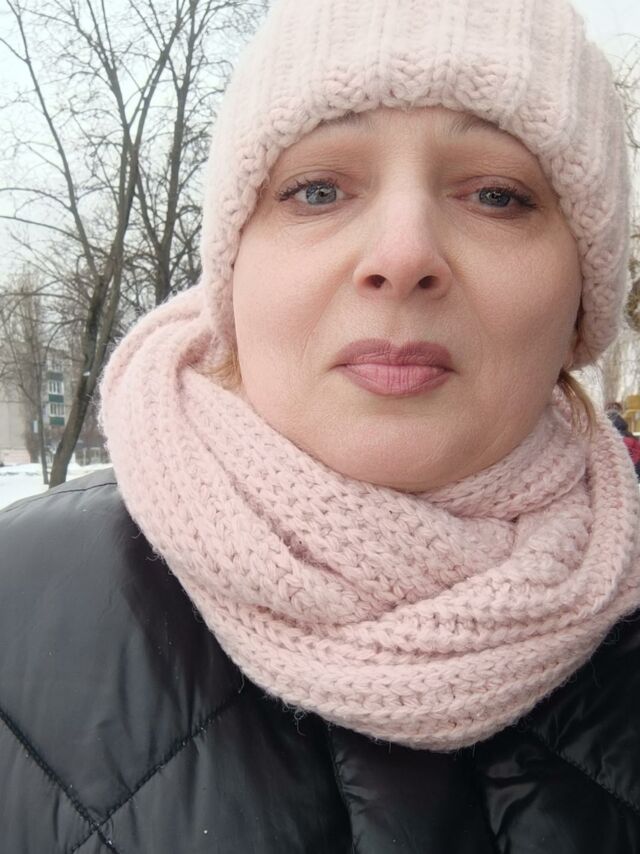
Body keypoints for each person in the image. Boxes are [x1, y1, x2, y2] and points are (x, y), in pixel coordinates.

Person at [2, 0, 640, 851]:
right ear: (233, 277)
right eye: (317, 190)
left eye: (496, 194)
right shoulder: (14, 605)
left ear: (582, 301)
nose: (403, 255)